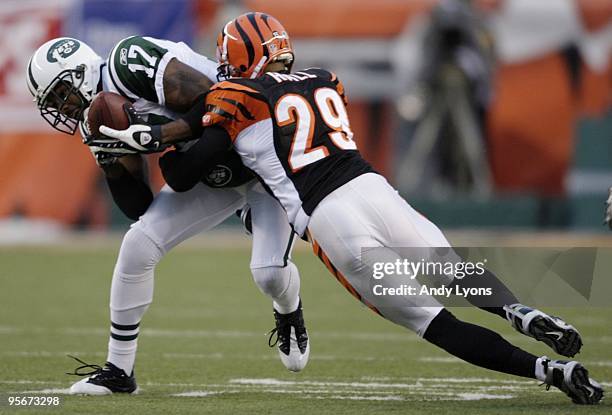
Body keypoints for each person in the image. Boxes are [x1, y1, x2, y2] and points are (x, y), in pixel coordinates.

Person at [98, 12, 604, 404]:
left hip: (330, 217)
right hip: (374, 188)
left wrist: (147, 140)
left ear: (241, 59)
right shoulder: (325, 78)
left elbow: (185, 175)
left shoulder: (236, 93)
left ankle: (548, 372)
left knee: (433, 321)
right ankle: (523, 311)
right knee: (453, 271)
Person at [26, 34, 310, 395]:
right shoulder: (94, 117)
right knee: (138, 244)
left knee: (269, 274)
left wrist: (155, 135)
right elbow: (137, 206)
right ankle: (119, 370)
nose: (61, 109)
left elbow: (218, 103)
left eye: (60, 95)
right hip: (212, 171)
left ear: (79, 73)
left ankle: (288, 307)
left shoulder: (127, 63)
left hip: (258, 156)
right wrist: (112, 159)